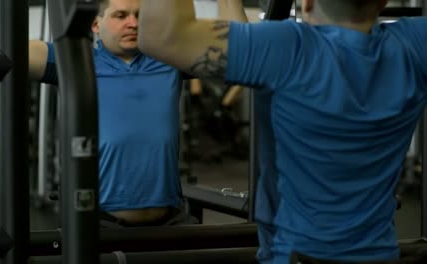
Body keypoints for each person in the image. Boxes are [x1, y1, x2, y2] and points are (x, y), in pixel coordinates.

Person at [138, 0, 427, 263]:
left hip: (297, 256)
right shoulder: (413, 46)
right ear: (383, 2)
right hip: (379, 254)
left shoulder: (289, 48)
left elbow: (158, 34)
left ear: (307, 3)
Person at [0, 0, 246, 227]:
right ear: (95, 24)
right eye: (121, 16)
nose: (133, 23)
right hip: (100, 224)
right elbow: (2, 51)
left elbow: (241, 51)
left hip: (170, 223)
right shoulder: (74, 60)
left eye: (139, 15)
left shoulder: (168, 57)